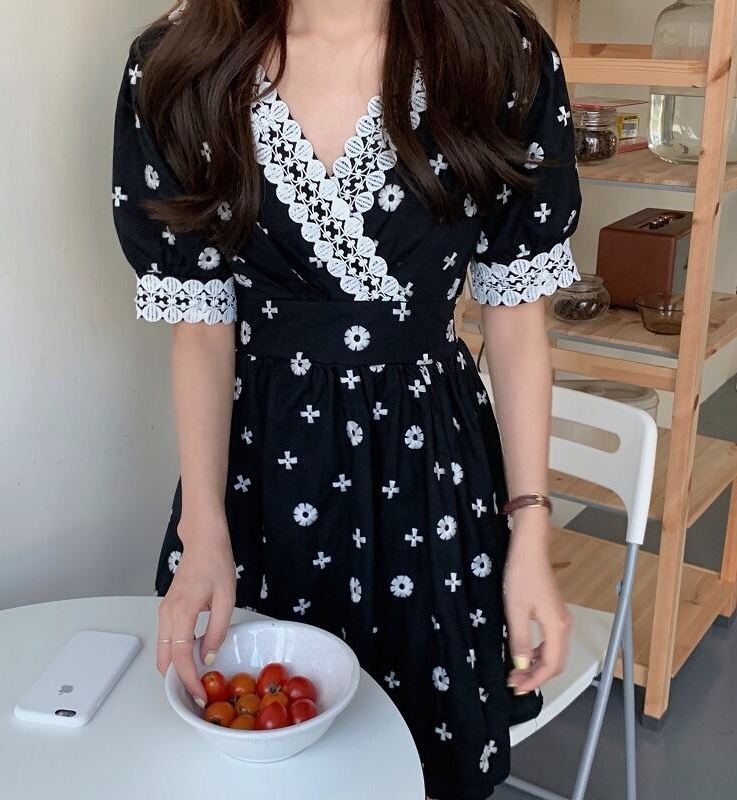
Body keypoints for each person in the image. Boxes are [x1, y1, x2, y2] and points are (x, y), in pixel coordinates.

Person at [111, 1, 579, 797]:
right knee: (258, 743)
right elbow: (202, 325)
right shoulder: (177, 64)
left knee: (426, 752)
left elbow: (515, 314)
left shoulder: (503, 52)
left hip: (431, 471)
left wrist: (529, 526)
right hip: (260, 472)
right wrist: (203, 531)